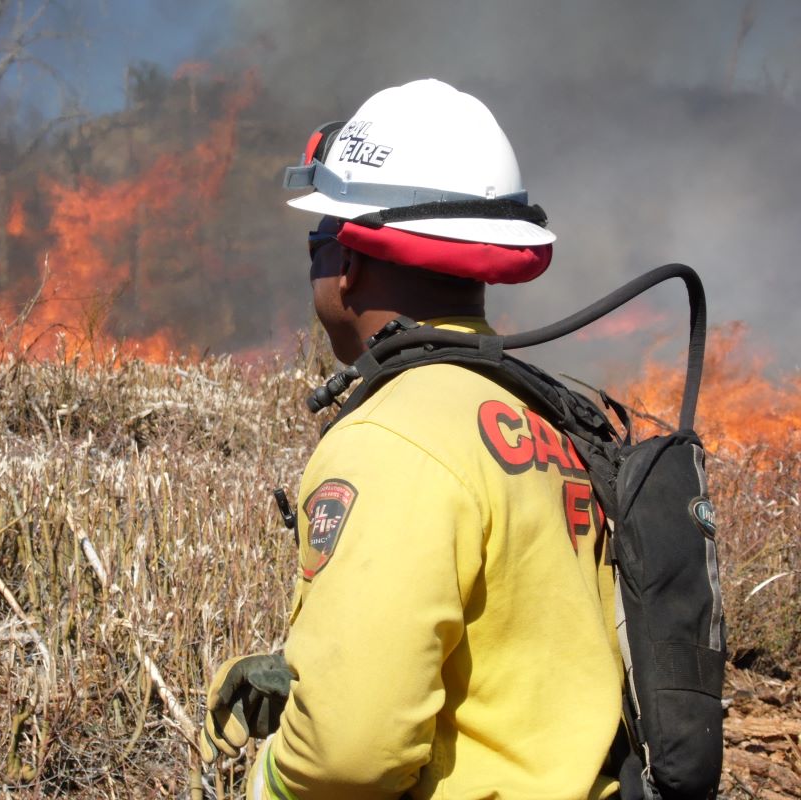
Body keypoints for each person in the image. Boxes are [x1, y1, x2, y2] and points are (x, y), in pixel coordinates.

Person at [201, 79, 625, 799]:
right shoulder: (553, 421)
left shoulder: (392, 437)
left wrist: (272, 777)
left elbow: (348, 754)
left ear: (348, 264)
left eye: (318, 242)